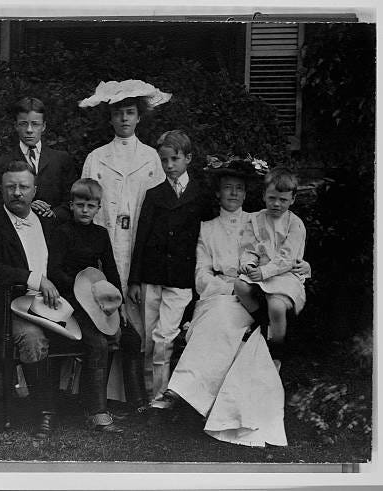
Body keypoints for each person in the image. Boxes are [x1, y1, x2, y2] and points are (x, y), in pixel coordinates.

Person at [149, 155, 310, 447]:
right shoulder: (206, 228)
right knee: (219, 316)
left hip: (258, 293)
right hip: (222, 292)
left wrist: (304, 267)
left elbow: (287, 257)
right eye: (227, 188)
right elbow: (201, 273)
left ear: (247, 194)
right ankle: (186, 392)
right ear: (218, 193)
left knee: (227, 319)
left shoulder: (259, 219)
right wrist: (226, 288)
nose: (233, 193)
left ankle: (187, 391)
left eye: (239, 188)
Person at [79, 79, 171, 411]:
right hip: (105, 241)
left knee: (138, 312)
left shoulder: (150, 158)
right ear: (110, 118)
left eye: (130, 112)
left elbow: (159, 209)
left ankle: (137, 392)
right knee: (104, 305)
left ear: (139, 117)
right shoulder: (96, 157)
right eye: (118, 113)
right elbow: (86, 203)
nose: (124, 119)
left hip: (137, 244)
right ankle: (101, 392)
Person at [0, 159, 68, 439]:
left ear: (35, 190)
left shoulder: (47, 222)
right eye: (10, 187)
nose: (17, 193)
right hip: (10, 307)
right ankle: (45, 411)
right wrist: (34, 279)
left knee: (93, 333)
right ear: (1, 189)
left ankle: (91, 406)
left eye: (24, 187)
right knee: (32, 339)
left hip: (52, 304)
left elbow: (61, 264)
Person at [127, 130, 214, 401]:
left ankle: (160, 398)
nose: (169, 165)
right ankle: (151, 398)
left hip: (180, 277)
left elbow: (208, 238)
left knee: (164, 337)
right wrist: (134, 280)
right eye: (164, 160)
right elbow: (141, 237)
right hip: (152, 276)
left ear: (188, 158)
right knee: (149, 339)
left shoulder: (200, 194)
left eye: (174, 159)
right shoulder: (154, 194)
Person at [47, 178, 124, 433]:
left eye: (90, 206)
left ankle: (93, 400)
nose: (84, 210)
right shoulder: (62, 232)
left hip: (94, 299)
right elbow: (54, 270)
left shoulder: (100, 234)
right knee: (97, 342)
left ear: (98, 208)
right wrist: (79, 286)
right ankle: (97, 411)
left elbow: (110, 269)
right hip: (69, 301)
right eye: (80, 205)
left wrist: (118, 303)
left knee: (119, 337)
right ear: (71, 205)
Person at [234, 166, 308, 370]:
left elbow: (287, 258)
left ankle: (277, 350)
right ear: (264, 196)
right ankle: (262, 322)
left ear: (292, 200)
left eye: (283, 200)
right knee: (240, 286)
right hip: (261, 270)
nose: (276, 204)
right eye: (272, 198)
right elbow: (249, 248)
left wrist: (264, 272)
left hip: (285, 274)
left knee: (276, 306)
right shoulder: (255, 219)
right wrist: (249, 264)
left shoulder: (295, 224)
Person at [0, 97, 77, 221]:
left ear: (43, 126)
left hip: (54, 227)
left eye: (35, 124)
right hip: (16, 228)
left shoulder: (61, 160)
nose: (29, 130)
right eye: (23, 124)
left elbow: (72, 200)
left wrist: (53, 213)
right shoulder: (2, 164)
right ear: (16, 126)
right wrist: (25, 206)